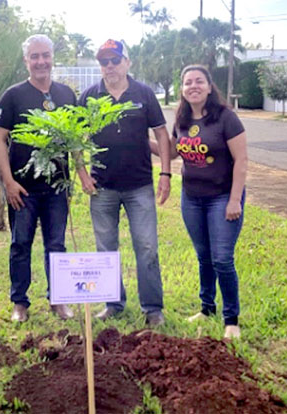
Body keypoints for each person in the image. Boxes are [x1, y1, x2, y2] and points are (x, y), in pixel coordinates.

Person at [76, 39, 172, 326]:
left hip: (139, 185)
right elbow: (74, 137)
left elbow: (162, 135)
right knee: (106, 248)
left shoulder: (143, 93)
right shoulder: (90, 96)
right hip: (102, 186)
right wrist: (81, 172)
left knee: (147, 247)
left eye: (115, 60)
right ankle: (113, 303)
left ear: (127, 62)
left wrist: (165, 173)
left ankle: (152, 307)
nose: (109, 67)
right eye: (104, 62)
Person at [0, 35, 76, 323]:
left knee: (57, 245)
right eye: (34, 56)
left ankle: (59, 300)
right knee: (20, 244)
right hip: (22, 188)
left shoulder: (67, 95)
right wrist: (8, 181)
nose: (41, 61)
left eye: (45, 55)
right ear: (26, 61)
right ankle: (20, 303)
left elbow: (74, 140)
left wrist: (75, 178)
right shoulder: (13, 96)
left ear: (52, 57)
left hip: (56, 188)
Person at [171, 65, 248, 339]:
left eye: (198, 81)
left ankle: (232, 320)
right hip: (191, 198)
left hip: (223, 197)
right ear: (182, 89)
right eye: (188, 82)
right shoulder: (180, 119)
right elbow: (170, 152)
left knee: (222, 259)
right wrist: (137, 140)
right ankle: (207, 308)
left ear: (208, 85)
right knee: (204, 257)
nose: (193, 86)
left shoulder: (226, 118)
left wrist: (235, 200)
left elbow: (241, 161)